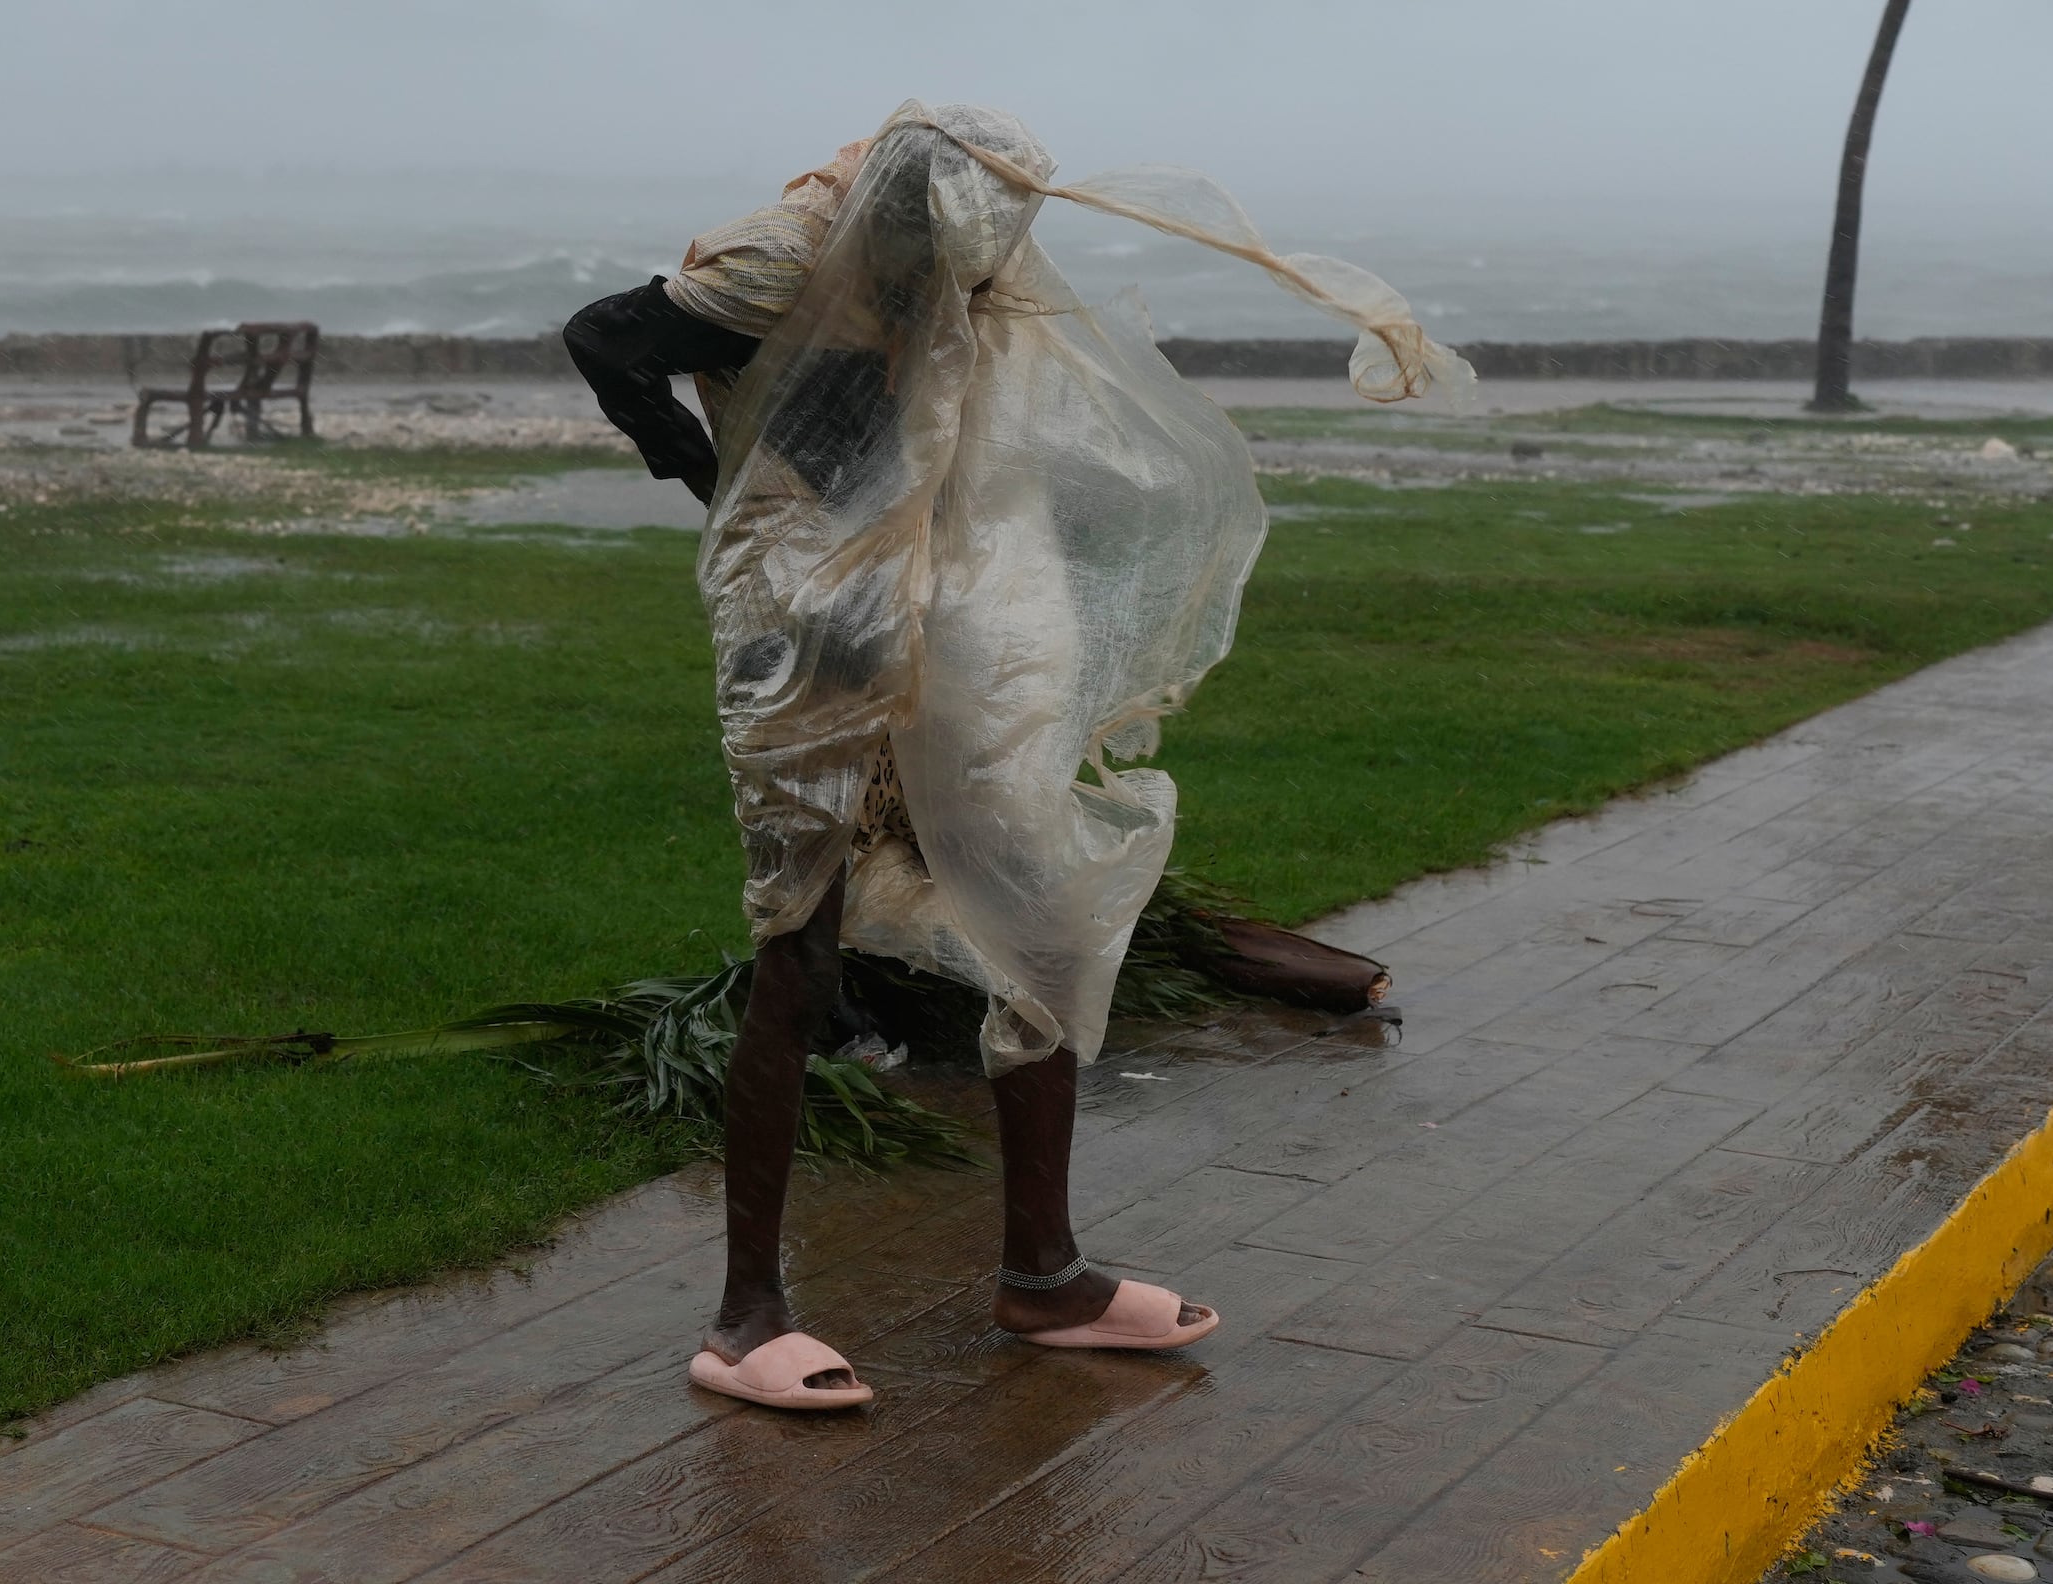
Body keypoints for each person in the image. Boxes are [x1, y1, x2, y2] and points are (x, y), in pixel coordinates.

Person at [566, 103, 1467, 1412]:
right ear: (901, 213)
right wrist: (724, 485)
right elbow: (607, 339)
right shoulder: (779, 259)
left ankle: (1044, 1275)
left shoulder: (979, 256)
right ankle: (744, 1316)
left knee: (1045, 915)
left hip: (949, 585)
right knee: (799, 946)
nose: (996, 261)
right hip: (807, 613)